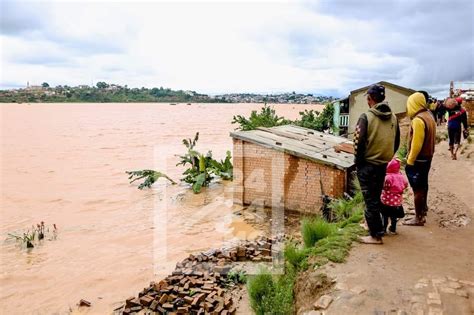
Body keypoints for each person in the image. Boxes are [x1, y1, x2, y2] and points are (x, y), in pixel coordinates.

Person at [354, 84, 400, 244]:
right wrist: (386, 157)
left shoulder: (366, 117)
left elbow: (357, 143)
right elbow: (397, 141)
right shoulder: (393, 117)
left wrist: (358, 163)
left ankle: (376, 235)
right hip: (382, 164)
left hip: (367, 164)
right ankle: (377, 227)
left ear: (369, 99)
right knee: (376, 197)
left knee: (370, 200)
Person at [404, 92, 436, 226]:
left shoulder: (418, 120)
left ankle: (418, 218)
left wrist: (410, 160)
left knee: (417, 189)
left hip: (418, 159)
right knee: (423, 186)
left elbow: (417, 143)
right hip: (427, 157)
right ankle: (423, 209)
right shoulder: (429, 115)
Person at [380, 158, 408, 235]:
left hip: (386, 201)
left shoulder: (388, 177)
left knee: (385, 216)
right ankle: (393, 229)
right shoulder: (401, 176)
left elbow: (385, 187)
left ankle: (384, 229)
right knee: (394, 216)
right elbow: (405, 184)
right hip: (397, 201)